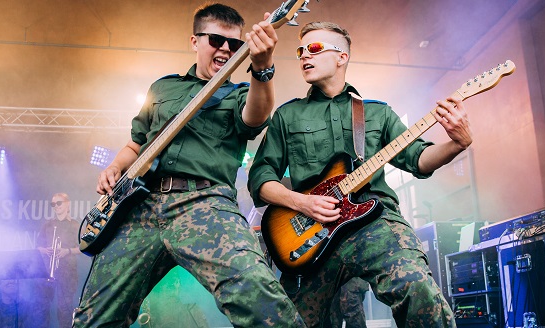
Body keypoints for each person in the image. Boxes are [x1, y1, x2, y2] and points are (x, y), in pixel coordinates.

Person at [73, 3, 305, 327]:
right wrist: (115, 167)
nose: (226, 48)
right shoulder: (162, 88)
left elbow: (257, 114)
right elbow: (136, 143)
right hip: (142, 206)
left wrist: (263, 68)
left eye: (235, 44)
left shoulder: (240, 93)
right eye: (216, 40)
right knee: (94, 316)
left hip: (206, 204)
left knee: (259, 296)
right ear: (195, 41)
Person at [248, 21, 471, 327]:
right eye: (300, 50)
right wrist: (301, 203)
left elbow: (418, 159)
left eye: (313, 48)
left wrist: (457, 144)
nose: (303, 56)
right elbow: (260, 178)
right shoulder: (288, 114)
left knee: (418, 289)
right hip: (312, 234)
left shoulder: (376, 112)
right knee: (285, 321)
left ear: (342, 57)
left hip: (374, 223)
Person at [37, 192, 81, 328]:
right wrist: (44, 250)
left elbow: (84, 248)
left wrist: (66, 251)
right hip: (47, 272)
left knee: (64, 309)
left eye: (59, 203)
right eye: (53, 204)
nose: (56, 206)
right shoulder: (47, 225)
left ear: (67, 204)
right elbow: (38, 246)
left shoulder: (75, 225)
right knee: (42, 308)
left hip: (67, 273)